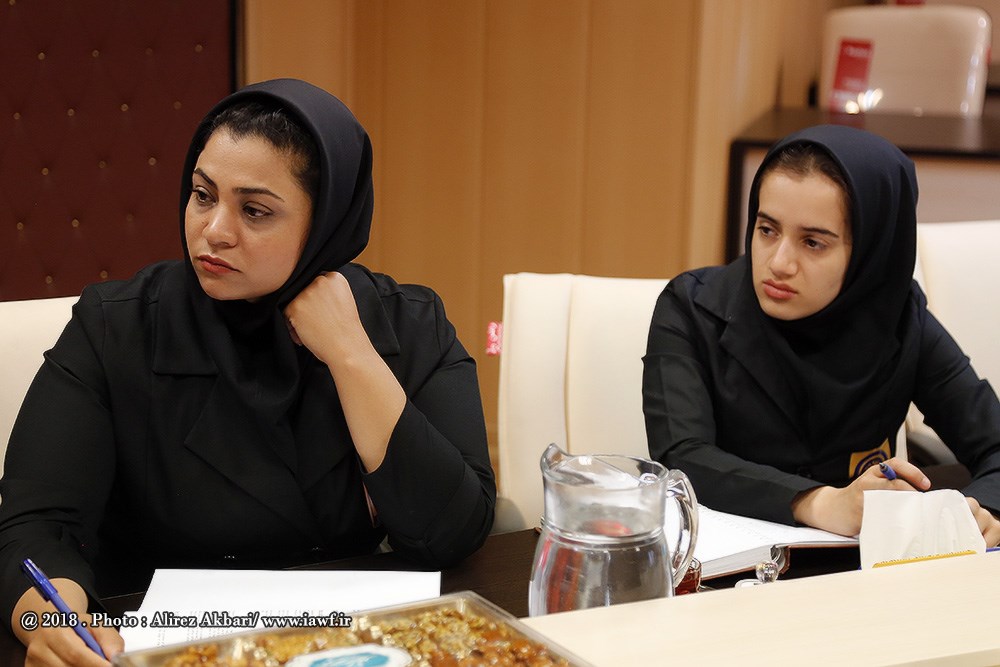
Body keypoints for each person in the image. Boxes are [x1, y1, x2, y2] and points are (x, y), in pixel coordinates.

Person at [0, 78, 496, 664]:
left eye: (254, 210)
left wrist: (351, 355)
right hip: (165, 647)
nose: (214, 230)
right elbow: (35, 527)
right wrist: (47, 620)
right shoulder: (119, 326)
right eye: (203, 195)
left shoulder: (407, 323)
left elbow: (454, 532)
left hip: (348, 645)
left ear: (326, 221)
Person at [642, 124, 1000, 547]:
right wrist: (817, 502)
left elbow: (994, 443)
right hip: (731, 563)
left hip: (862, 564)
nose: (779, 263)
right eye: (767, 230)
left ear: (870, 251)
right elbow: (683, 455)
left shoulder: (899, 316)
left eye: (813, 242)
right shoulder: (692, 308)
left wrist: (983, 511)